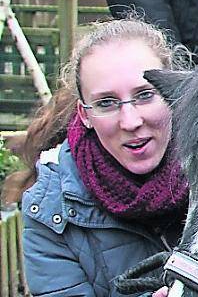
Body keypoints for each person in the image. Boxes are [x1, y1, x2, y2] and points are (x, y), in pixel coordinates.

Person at [21, 19, 189, 297]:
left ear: (175, 94)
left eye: (146, 95)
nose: (130, 121)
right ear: (85, 114)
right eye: (106, 103)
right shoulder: (51, 209)